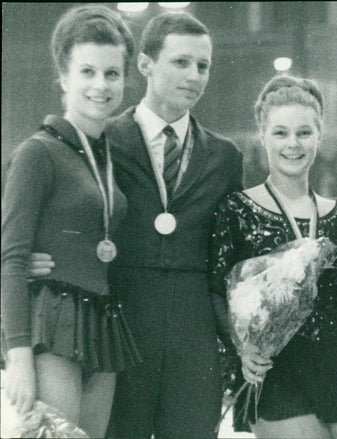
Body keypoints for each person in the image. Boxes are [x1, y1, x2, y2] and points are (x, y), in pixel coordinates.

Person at [23, 11, 244, 438]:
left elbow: (229, 257)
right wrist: (41, 254)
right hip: (120, 333)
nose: (194, 75)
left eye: (203, 65)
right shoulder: (99, 139)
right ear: (144, 65)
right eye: (181, 62)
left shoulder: (226, 157)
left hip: (194, 342)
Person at [0, 6, 136, 437]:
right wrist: (17, 357)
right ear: (63, 76)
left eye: (112, 74)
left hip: (101, 327)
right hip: (52, 328)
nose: (101, 85)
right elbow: (13, 257)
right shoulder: (37, 153)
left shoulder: (108, 156)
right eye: (88, 71)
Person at [209, 75, 337, 439]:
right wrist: (241, 349)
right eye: (280, 133)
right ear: (262, 136)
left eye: (304, 133)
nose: (292, 144)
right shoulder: (237, 210)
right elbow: (216, 291)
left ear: (319, 136)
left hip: (336, 370)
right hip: (276, 372)